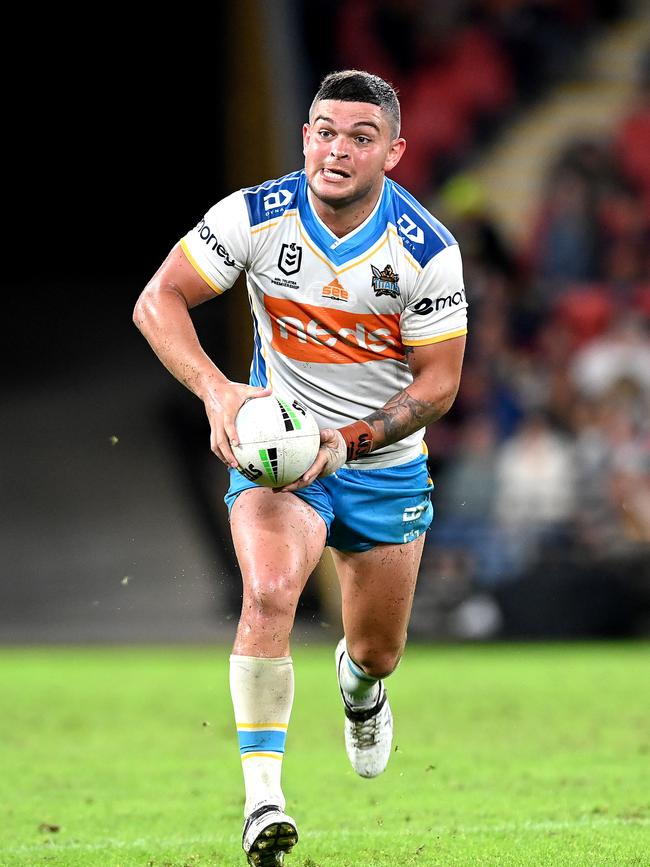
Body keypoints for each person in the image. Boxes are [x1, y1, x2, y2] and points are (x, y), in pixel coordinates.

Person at [133, 69, 467, 867]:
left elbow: (440, 382)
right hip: (278, 452)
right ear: (305, 137)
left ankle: (361, 692)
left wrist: (348, 441)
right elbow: (159, 300)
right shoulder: (254, 216)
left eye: (359, 136)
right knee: (270, 588)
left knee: (377, 648)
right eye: (323, 130)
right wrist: (217, 393)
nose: (336, 148)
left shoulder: (426, 250)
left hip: (380, 463)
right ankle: (263, 804)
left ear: (393, 152)